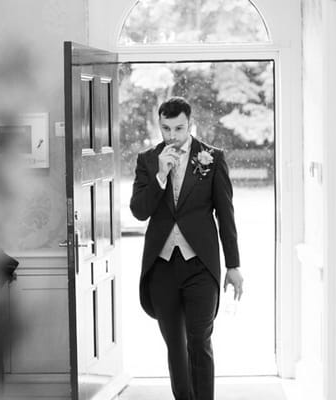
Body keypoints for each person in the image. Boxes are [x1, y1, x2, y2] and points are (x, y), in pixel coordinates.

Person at [130, 96, 244, 400]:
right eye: (166, 129)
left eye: (179, 128)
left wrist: (233, 265)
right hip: (162, 268)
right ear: (160, 125)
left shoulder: (212, 157)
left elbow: (226, 214)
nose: (172, 136)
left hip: (200, 267)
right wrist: (160, 176)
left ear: (189, 123)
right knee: (176, 348)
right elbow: (139, 211)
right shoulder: (147, 160)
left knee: (200, 341)